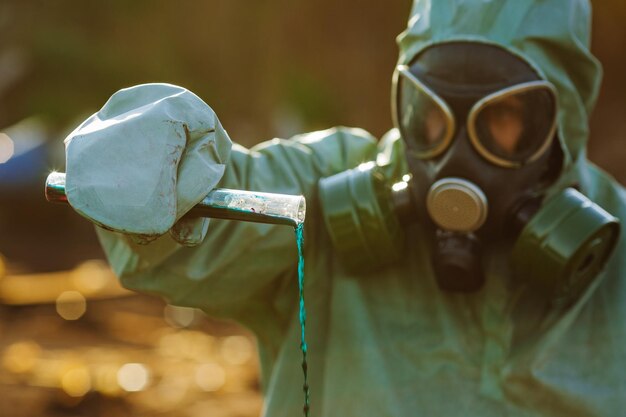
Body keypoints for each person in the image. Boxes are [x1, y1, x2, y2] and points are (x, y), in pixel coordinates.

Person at [63, 0, 626, 415]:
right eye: (430, 113)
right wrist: (148, 160)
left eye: (501, 119)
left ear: (560, 122)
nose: (456, 156)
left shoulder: (617, 258)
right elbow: (189, 243)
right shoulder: (322, 191)